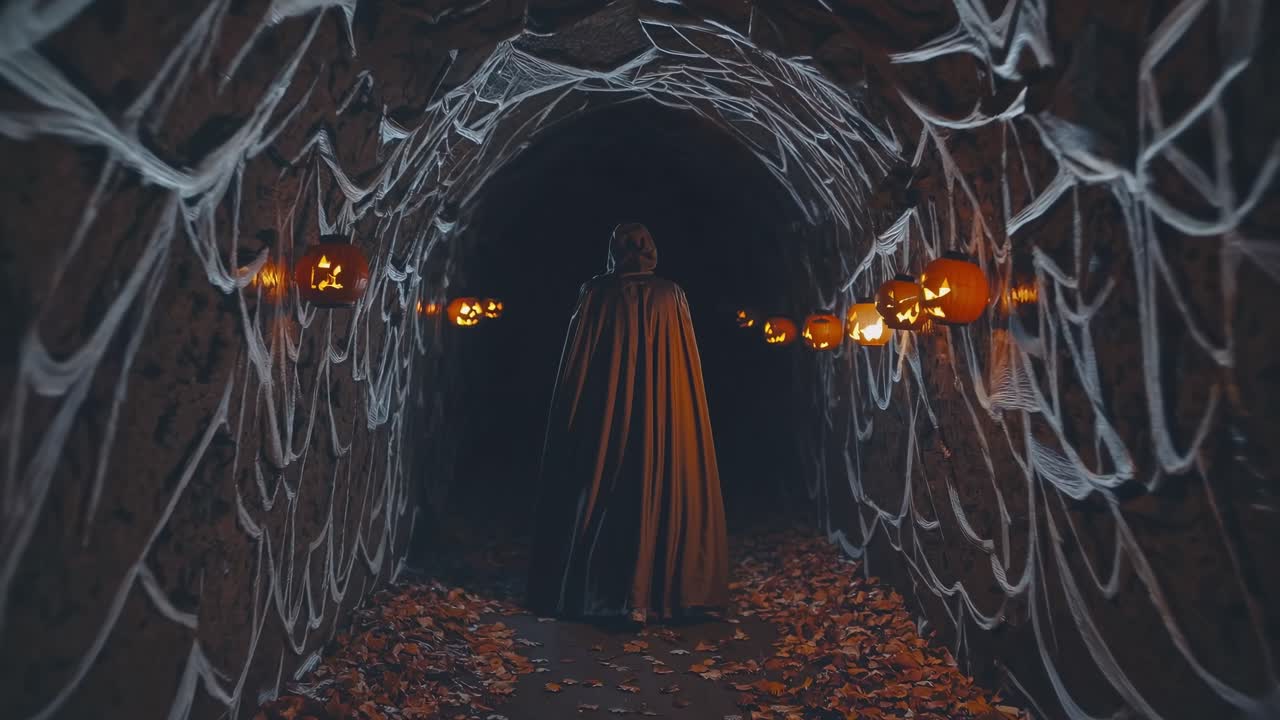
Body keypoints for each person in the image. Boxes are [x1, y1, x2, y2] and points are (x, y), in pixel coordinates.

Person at [526, 222, 729, 626]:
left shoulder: (597, 295)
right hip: (662, 417)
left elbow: (578, 367)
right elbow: (682, 369)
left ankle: (607, 595)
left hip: (605, 419)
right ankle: (655, 594)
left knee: (602, 489)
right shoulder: (669, 296)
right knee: (655, 486)